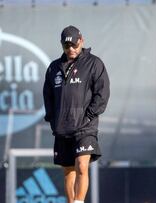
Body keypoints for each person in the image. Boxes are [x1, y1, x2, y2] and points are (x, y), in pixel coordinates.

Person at [43, 25, 110, 203]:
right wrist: (52, 118)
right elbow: (48, 95)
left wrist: (89, 115)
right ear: (62, 45)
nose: (71, 49)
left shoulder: (94, 63)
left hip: (85, 127)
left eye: (74, 45)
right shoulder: (53, 67)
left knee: (81, 166)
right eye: (67, 46)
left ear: (81, 41)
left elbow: (102, 93)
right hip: (62, 127)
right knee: (69, 170)